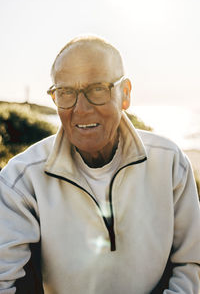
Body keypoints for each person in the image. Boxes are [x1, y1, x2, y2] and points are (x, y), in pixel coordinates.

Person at [0, 35, 200, 294]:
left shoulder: (171, 163)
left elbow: (192, 264)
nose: (81, 109)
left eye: (97, 89)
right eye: (66, 92)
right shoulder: (21, 181)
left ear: (125, 94)